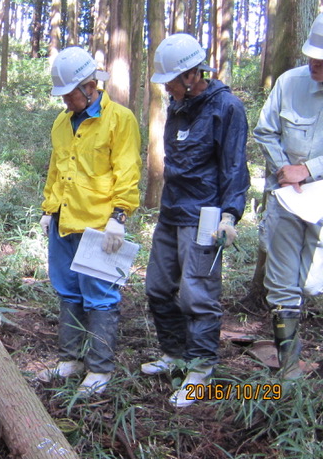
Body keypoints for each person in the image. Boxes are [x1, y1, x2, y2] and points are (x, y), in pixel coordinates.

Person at [142, 33, 250, 407]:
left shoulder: (227, 108)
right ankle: (174, 353)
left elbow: (235, 166)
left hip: (205, 217)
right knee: (157, 287)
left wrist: (230, 214)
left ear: (191, 75)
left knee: (198, 297)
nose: (167, 88)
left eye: (171, 80)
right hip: (171, 213)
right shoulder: (178, 105)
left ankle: (201, 370)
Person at [36, 46, 142, 396]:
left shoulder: (120, 119)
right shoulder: (61, 122)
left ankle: (99, 368)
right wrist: (48, 208)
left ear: (89, 86)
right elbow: (56, 168)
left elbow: (127, 170)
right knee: (67, 289)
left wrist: (119, 216)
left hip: (99, 225)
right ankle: (71, 358)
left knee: (100, 296)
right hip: (64, 220)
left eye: (69, 94)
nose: (65, 101)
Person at [253, 13, 323, 380]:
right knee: (281, 286)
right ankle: (290, 370)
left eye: (322, 60)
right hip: (285, 198)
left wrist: (309, 170)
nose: (314, 63)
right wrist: (285, 170)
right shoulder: (290, 83)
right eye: (312, 55)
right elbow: (265, 131)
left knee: (311, 283)